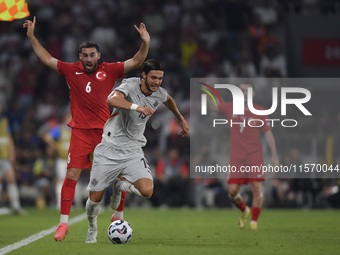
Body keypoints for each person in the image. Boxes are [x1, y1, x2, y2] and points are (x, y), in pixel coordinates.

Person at [23, 16, 150, 241]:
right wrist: (32, 36)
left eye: (92, 55)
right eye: (85, 55)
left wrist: (145, 44)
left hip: (107, 133)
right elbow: (46, 58)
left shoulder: (109, 70)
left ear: (98, 56)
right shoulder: (71, 70)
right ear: (79, 57)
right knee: (71, 175)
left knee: (119, 175)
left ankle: (117, 217)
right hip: (81, 132)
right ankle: (63, 224)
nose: (89, 58)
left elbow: (135, 62)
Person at [84, 59, 189, 243]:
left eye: (160, 78)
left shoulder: (159, 93)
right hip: (109, 148)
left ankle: (120, 185)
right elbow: (111, 99)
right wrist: (137, 107)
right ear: (143, 76)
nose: (157, 82)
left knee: (147, 190)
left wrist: (180, 118)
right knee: (94, 200)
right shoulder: (131, 85)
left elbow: (168, 99)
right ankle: (92, 229)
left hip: (133, 150)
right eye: (153, 77)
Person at [208, 82, 279, 230]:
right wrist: (206, 90)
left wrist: (274, 155)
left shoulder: (260, 111)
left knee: (256, 188)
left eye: (247, 91)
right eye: (241, 91)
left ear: (253, 94)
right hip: (236, 157)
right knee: (233, 192)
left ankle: (254, 221)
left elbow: (268, 133)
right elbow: (212, 107)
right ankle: (244, 210)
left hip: (254, 155)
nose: (244, 93)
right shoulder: (230, 107)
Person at [0, 105, 25, 215]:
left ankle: (16, 207)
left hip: (4, 157)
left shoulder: (5, 121)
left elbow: (9, 138)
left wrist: (12, 153)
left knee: (11, 179)